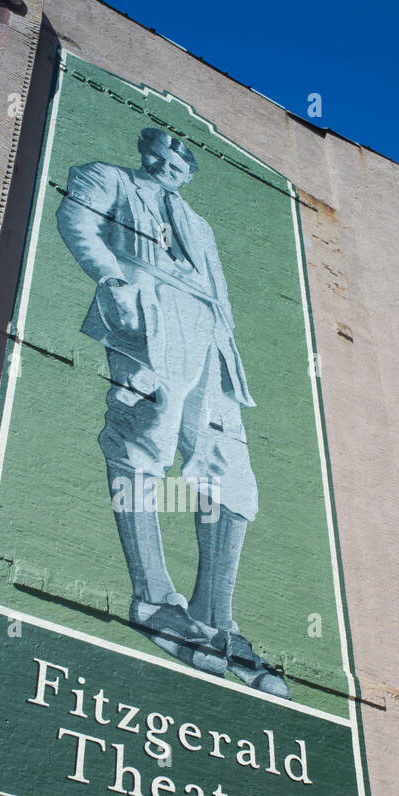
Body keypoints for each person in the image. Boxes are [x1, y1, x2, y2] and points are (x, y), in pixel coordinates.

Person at [56, 126, 288, 698]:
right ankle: (154, 598)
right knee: (145, 433)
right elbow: (77, 221)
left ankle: (214, 616)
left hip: (205, 327)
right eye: (163, 155)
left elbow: (219, 288)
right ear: (147, 153)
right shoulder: (108, 178)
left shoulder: (201, 225)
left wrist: (226, 347)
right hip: (148, 309)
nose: (171, 167)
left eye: (183, 164)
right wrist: (112, 279)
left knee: (226, 461)